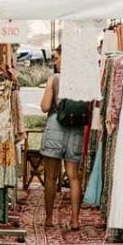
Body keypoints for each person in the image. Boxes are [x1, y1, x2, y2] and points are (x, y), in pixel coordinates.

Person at [40, 46, 85, 230]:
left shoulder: (54, 79)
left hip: (55, 127)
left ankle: (49, 218)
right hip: (76, 130)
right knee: (74, 177)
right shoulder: (83, 81)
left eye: (57, 58)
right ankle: (75, 219)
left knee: (51, 177)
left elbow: (44, 106)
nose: (55, 61)